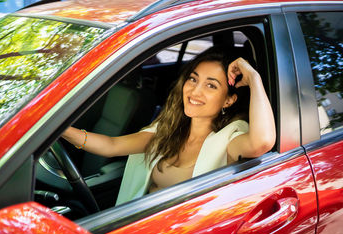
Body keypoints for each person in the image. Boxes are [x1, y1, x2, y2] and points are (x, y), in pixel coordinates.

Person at [62, 47, 276, 205]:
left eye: (211, 85)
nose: (194, 92)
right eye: (193, 80)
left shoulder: (229, 140)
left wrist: (254, 78)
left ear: (229, 100)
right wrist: (61, 130)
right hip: (137, 226)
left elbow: (263, 142)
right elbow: (110, 145)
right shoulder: (168, 130)